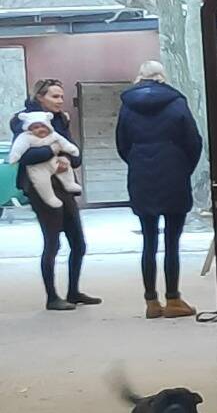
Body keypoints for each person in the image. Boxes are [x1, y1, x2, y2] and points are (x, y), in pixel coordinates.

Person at [116, 61, 204, 319]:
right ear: (162, 77)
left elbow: (121, 143)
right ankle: (174, 299)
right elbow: (193, 141)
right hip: (174, 171)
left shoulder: (127, 106)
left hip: (141, 174)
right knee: (172, 243)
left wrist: (137, 160)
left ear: (139, 77)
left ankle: (151, 302)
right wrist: (182, 166)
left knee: (148, 241)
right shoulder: (177, 102)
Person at [9, 79, 99, 312]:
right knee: (52, 243)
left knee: (78, 243)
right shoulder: (25, 122)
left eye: (62, 96)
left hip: (64, 185)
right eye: (55, 96)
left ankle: (73, 291)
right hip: (40, 188)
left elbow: (75, 155)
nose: (61, 101)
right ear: (40, 97)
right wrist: (52, 150)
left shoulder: (61, 120)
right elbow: (23, 157)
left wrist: (67, 159)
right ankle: (52, 297)